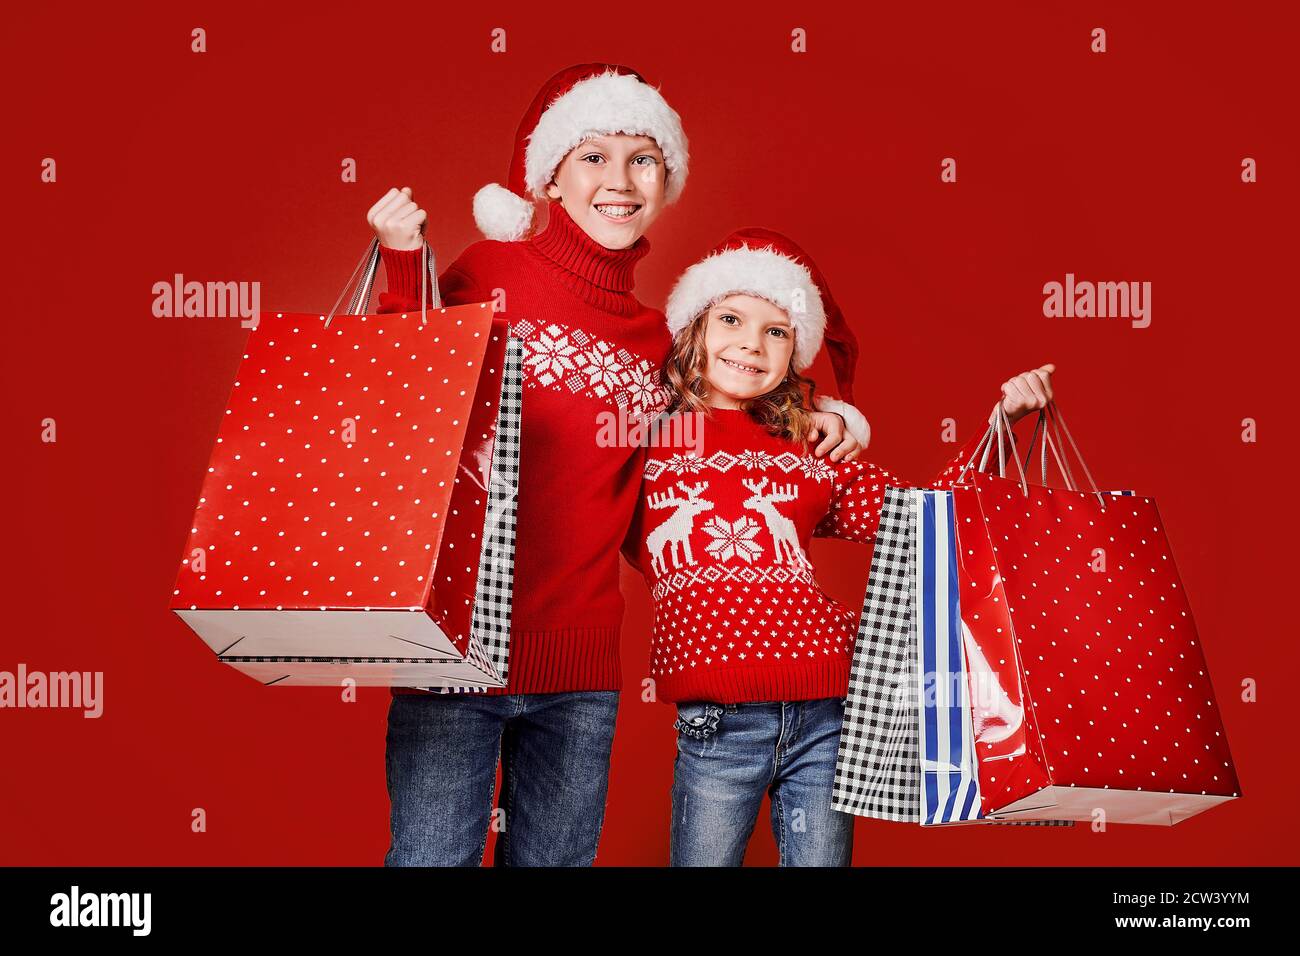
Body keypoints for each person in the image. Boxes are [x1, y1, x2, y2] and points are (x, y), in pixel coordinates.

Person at [365, 65, 867, 866]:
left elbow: (712, 449)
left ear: (666, 183)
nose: (619, 180)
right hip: (455, 654)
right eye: (593, 156)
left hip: (581, 675)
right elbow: (402, 392)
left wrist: (826, 419)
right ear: (551, 179)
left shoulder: (651, 345)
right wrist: (399, 261)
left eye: (643, 159)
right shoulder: (489, 274)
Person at [624, 228, 1055, 865]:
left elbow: (920, 521)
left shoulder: (810, 444)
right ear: (693, 326)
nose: (751, 341)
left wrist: (1000, 424)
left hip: (829, 711)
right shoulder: (641, 432)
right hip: (717, 723)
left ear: (795, 349)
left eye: (776, 331)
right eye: (732, 318)